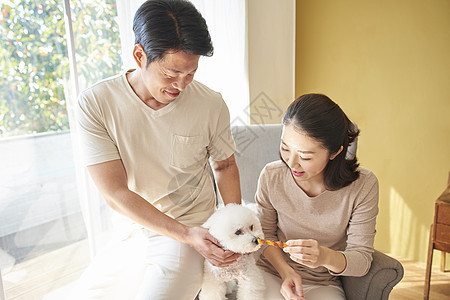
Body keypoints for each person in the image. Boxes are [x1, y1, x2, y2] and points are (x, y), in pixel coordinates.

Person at [75, 0, 241, 299]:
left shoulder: (210, 103)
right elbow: (115, 193)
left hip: (192, 229)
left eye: (190, 73)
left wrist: (233, 234)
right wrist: (184, 234)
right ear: (140, 55)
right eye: (171, 73)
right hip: (133, 229)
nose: (181, 84)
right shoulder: (96, 103)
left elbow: (225, 166)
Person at [256, 94, 379, 300]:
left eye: (305, 157)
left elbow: (362, 260)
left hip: (322, 283)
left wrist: (324, 256)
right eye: (285, 148)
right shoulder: (271, 176)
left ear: (334, 152)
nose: (292, 163)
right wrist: (286, 272)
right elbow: (264, 238)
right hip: (271, 273)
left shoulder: (363, 186)